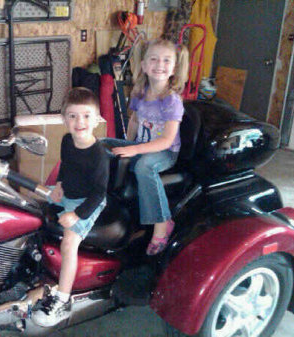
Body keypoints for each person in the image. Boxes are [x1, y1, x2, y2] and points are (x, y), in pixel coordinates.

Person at [32, 87, 109, 327]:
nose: (79, 122)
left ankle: (63, 300)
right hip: (68, 193)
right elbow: (65, 165)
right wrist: (59, 185)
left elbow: (99, 193)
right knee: (32, 208)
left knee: (69, 243)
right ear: (64, 119)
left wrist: (76, 215)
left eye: (86, 116)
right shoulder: (67, 140)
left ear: (96, 120)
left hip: (88, 201)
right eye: (73, 116)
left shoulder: (99, 155)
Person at [104, 38, 189, 255]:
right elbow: (134, 120)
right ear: (143, 65)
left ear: (174, 68)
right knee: (104, 145)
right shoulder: (139, 92)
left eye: (166, 60)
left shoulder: (171, 101)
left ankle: (162, 223)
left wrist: (133, 151)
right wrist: (127, 144)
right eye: (154, 59)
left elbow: (167, 140)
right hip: (141, 146)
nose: (159, 64)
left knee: (143, 167)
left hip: (165, 152)